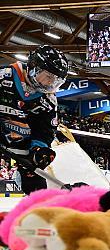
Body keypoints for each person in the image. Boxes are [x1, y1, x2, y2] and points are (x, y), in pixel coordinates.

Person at [0, 45, 68, 194]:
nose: (50, 83)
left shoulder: (49, 100)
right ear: (33, 67)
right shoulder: (4, 76)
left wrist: (38, 150)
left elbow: (45, 130)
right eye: (48, 76)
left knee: (37, 191)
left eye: (56, 81)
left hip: (22, 148)